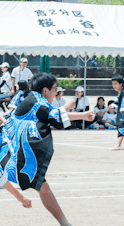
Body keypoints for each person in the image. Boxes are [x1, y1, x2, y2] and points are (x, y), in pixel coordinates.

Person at [0, 72, 94, 226]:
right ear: (45, 90)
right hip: (11, 149)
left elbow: (50, 116)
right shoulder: (37, 102)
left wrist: (67, 109)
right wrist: (82, 115)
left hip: (11, 148)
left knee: (42, 185)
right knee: (41, 184)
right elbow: (54, 117)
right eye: (54, 89)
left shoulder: (35, 100)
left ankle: (64, 223)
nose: (55, 93)